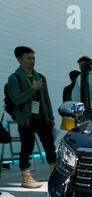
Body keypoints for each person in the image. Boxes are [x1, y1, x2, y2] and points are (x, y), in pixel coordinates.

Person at [7, 46, 56, 188]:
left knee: (49, 144)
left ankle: (54, 171)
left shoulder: (40, 77)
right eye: (28, 58)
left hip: (42, 118)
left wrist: (51, 117)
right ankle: (26, 178)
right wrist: (32, 89)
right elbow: (16, 99)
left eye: (33, 58)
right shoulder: (14, 78)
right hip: (26, 119)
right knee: (27, 147)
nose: (32, 61)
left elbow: (46, 99)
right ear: (19, 59)